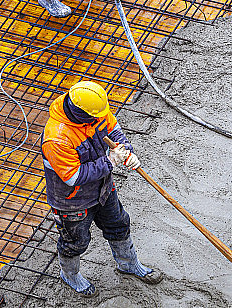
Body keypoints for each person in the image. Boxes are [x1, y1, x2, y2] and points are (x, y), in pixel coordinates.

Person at [41, 80, 163, 296]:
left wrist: (126, 151)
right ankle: (70, 275)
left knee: (118, 224)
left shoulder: (96, 112)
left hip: (104, 189)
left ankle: (128, 264)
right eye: (95, 117)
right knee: (75, 241)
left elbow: (116, 134)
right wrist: (110, 162)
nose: (100, 119)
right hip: (72, 201)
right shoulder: (57, 138)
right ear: (81, 113)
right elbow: (73, 177)